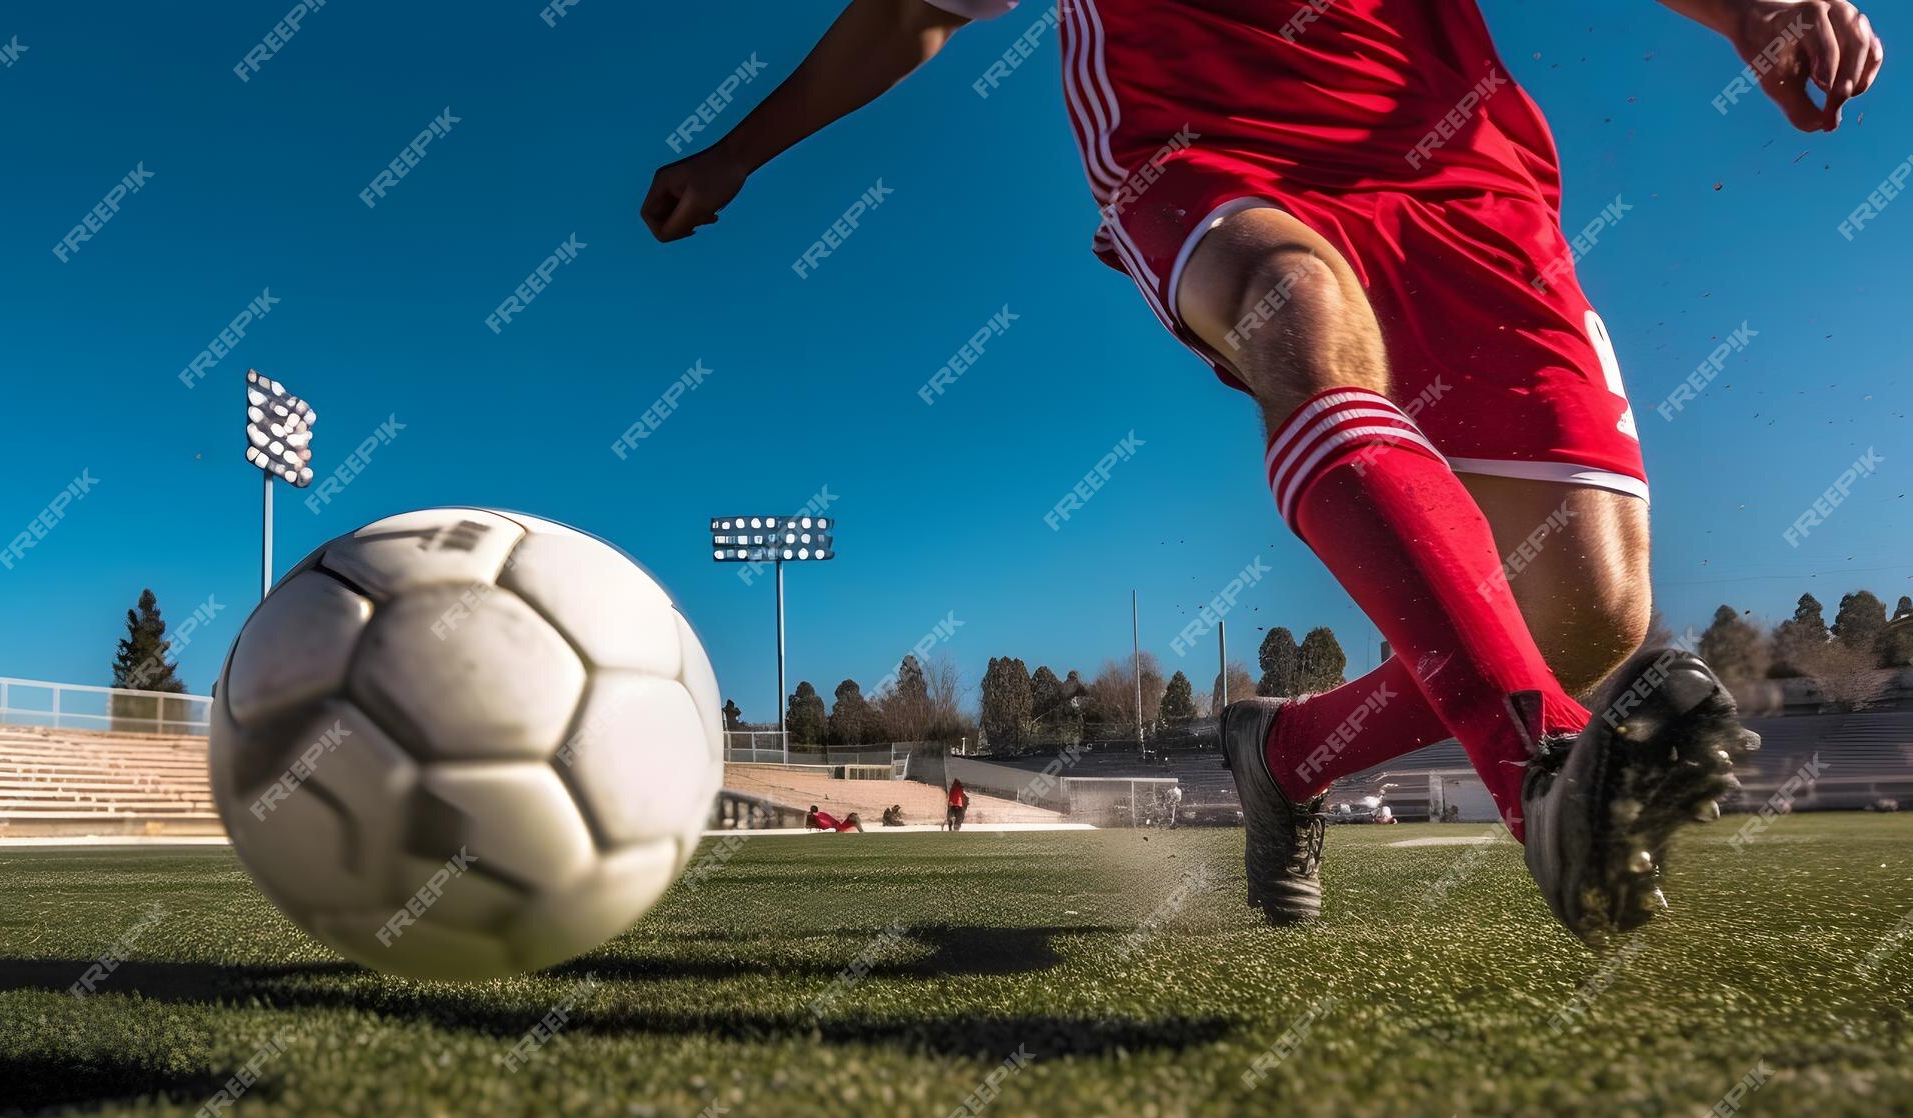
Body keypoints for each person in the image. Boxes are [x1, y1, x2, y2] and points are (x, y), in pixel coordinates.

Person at [641, 0, 1878, 937]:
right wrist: (743, 150)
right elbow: (908, 12)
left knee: (1587, 612)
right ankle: (1540, 769)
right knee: (1294, 308)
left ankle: (1284, 753)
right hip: (1209, 156)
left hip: (1469, 179)